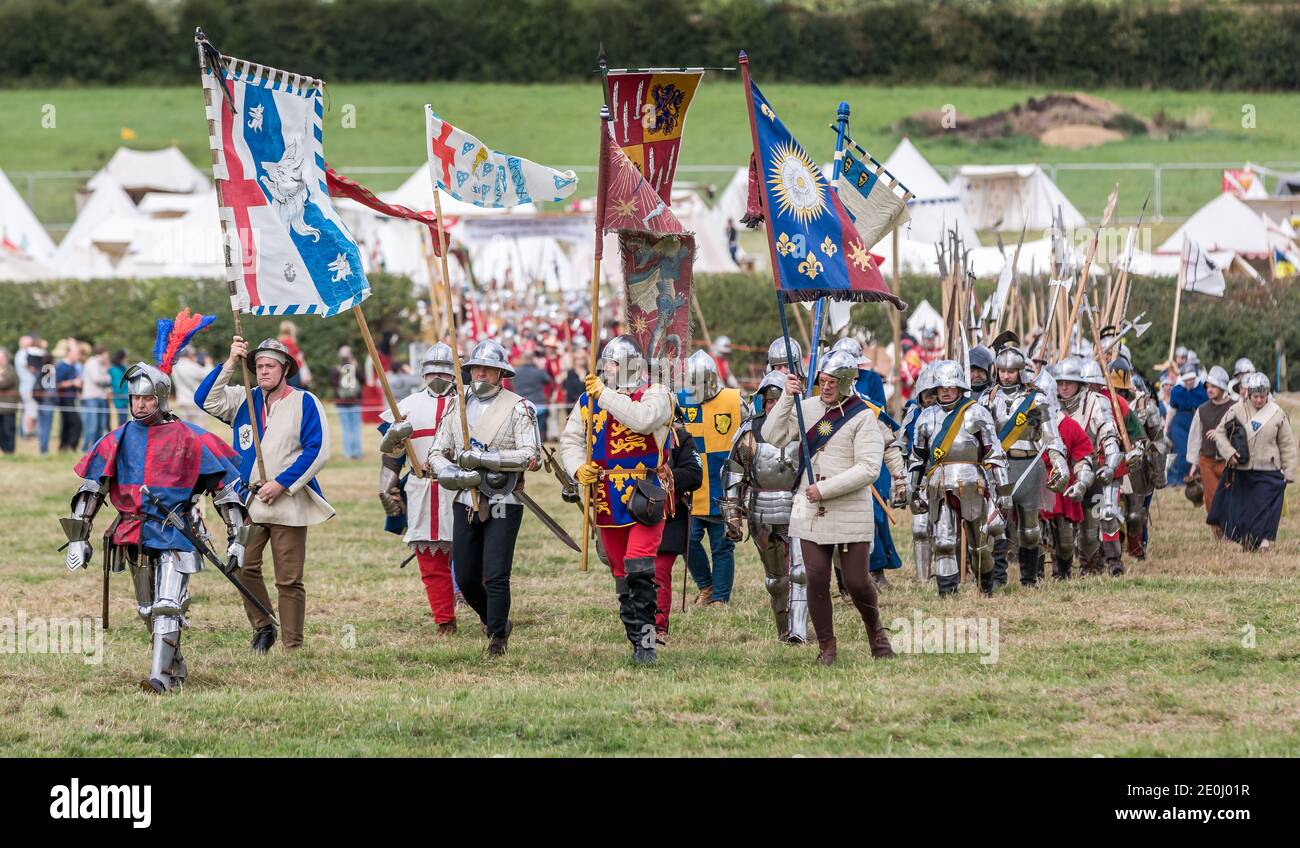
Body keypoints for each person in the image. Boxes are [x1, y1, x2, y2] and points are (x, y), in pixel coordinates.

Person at [62, 315, 247, 692]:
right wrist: (79, 537)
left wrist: (237, 539)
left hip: (175, 530)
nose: (141, 404)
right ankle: (174, 665)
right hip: (133, 530)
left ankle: (158, 677)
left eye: (147, 398)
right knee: (149, 610)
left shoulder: (190, 437)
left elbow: (223, 489)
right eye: (136, 398)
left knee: (166, 606)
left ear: (160, 398)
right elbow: (91, 489)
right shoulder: (115, 438)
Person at [196, 336, 334, 652]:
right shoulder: (244, 398)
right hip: (250, 502)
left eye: (270, 365)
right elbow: (205, 399)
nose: (263, 372)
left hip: (289, 501)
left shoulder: (305, 402)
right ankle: (263, 627)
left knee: (288, 578)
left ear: (284, 368)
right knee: (242, 566)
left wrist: (282, 483)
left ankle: (292, 645)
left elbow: (317, 451)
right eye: (258, 366)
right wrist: (231, 362)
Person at [762, 349, 893, 665]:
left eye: (833, 381)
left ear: (847, 381)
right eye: (822, 380)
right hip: (810, 508)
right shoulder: (806, 408)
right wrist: (785, 398)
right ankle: (827, 647)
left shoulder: (863, 416)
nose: (827, 386)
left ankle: (876, 634)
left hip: (848, 507)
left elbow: (868, 468)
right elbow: (771, 435)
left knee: (857, 582)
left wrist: (824, 489)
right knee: (816, 577)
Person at [560, 335, 673, 663]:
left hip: (645, 495)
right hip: (606, 497)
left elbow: (642, 418)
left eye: (612, 364)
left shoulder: (656, 393)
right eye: (606, 363)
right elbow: (570, 440)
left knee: (640, 569)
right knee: (622, 576)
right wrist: (578, 468)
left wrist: (604, 395)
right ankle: (636, 640)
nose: (606, 368)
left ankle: (649, 642)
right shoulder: (589, 400)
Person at [429, 339, 540, 658]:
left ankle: (496, 638)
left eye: (488, 370)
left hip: (504, 497)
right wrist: (454, 473)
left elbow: (530, 454)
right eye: (476, 368)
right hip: (467, 497)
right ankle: (497, 620)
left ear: (500, 373)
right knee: (464, 575)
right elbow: (438, 451)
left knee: (496, 573)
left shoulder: (519, 407)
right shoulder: (456, 404)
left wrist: (484, 459)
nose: (480, 374)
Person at [377, 343, 459, 636]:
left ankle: (489, 614)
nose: (438, 376)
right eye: (432, 371)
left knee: (473, 557)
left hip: (462, 487)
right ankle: (444, 620)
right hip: (421, 487)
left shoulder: (467, 404)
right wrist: (385, 487)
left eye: (444, 370)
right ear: (423, 373)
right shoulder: (407, 406)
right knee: (430, 559)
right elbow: (391, 454)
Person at [720, 371, 808, 643]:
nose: (773, 405)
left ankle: (799, 630)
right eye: (769, 400)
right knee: (776, 579)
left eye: (778, 399)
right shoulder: (749, 430)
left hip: (799, 504)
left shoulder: (805, 428)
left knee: (801, 573)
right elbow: (734, 473)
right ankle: (783, 629)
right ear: (761, 402)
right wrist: (732, 517)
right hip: (761, 508)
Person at [909, 360, 1009, 596]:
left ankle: (986, 586)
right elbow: (917, 458)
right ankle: (947, 592)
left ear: (959, 388)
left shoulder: (976, 412)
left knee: (979, 544)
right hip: (939, 484)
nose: (945, 390)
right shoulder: (926, 417)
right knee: (943, 542)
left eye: (950, 386)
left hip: (971, 483)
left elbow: (994, 453)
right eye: (941, 387)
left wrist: (1002, 492)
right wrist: (913, 490)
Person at [979, 334, 1069, 588]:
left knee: (1030, 530)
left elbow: (1052, 435)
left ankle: (1029, 578)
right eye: (1003, 370)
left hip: (1029, 466)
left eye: (1011, 371)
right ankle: (997, 578)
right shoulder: (987, 398)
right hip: (999, 467)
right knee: (995, 526)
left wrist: (1058, 461)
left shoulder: (1036, 399)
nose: (1006, 375)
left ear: (1021, 371)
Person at [678, 349, 744, 607]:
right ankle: (706, 585)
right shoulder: (680, 401)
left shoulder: (733, 400)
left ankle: (720, 598)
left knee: (722, 546)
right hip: (692, 489)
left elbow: (747, 438)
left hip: (723, 486)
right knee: (688, 542)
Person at [1208, 372, 1297, 552]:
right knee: (1244, 511)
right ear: (1249, 394)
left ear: (1267, 394)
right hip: (1242, 469)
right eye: (1255, 396)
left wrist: (1289, 471)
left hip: (1269, 467)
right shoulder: (1236, 410)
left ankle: (1263, 541)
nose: (1258, 400)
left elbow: (1287, 443)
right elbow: (1220, 433)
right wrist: (1229, 452)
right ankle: (1249, 541)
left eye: (1262, 396)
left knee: (1266, 508)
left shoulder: (1277, 413)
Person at [1054, 357, 1123, 578]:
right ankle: (1059, 568)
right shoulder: (1051, 405)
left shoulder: (1095, 402)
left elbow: (1110, 437)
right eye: (1060, 382)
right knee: (1059, 527)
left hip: (1091, 472)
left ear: (1079, 383)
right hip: (1059, 473)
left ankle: (1091, 567)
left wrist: (1110, 466)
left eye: (1069, 383)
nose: (1064, 387)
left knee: (1090, 530)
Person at [652, 406, 703, 644]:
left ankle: (658, 627)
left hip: (670, 516)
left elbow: (694, 474)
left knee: (659, 572)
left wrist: (667, 474)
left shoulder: (680, 438)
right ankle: (639, 622)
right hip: (635, 512)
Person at [902, 363, 938, 582]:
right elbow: (902, 444)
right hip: (921, 476)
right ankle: (923, 578)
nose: (932, 398)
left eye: (935, 393)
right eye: (928, 393)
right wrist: (903, 480)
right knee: (920, 528)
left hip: (948, 475)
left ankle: (956, 573)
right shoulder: (913, 413)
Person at [1186, 366, 1235, 525]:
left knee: (1231, 498)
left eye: (1214, 386)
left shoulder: (1234, 408)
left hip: (1229, 462)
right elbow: (1195, 438)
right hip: (1207, 461)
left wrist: (1221, 434)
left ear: (1222, 388)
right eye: (1208, 386)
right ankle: (1219, 534)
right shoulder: (1202, 410)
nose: (1209, 389)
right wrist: (1194, 464)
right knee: (1211, 501)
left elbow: (1242, 433)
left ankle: (1231, 529)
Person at [1166, 363, 1207, 486]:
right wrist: (1166, 427)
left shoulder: (1202, 389)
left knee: (1195, 451)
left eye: (1191, 379)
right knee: (1182, 452)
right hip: (1179, 422)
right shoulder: (1177, 390)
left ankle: (1195, 479)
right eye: (1186, 379)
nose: (1189, 382)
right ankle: (1181, 481)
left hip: (1197, 421)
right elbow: (1171, 410)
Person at [512, 350, 555, 442]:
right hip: (538, 404)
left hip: (521, 405)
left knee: (523, 430)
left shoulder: (516, 372)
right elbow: (548, 379)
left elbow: (512, 383)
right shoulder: (538, 371)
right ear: (533, 359)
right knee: (539, 430)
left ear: (522, 359)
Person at [330, 345, 363, 460]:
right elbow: (363, 380)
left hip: (341, 402)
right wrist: (356, 367)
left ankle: (348, 453)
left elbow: (333, 383)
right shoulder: (355, 368)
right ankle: (357, 453)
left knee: (346, 429)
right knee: (355, 428)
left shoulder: (336, 369)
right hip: (355, 401)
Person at [278, 321, 311, 390]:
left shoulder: (279, 342)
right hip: (293, 370)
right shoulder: (289, 342)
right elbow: (295, 359)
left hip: (283, 370)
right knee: (295, 392)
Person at [15, 335, 35, 439]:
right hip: (27, 387)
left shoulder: (24, 353)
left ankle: (25, 432)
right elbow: (28, 367)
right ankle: (27, 433)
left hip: (28, 386)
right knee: (29, 410)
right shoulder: (22, 354)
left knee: (29, 410)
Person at [0, 348, 18, 453]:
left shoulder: (11, 371)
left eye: (2, 358)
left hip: (8, 407)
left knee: (8, 430)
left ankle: (10, 451)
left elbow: (4, 384)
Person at [108, 350, 129, 430]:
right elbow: (117, 386)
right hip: (119, 399)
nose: (126, 359)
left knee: (124, 421)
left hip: (125, 398)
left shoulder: (123, 368)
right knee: (122, 422)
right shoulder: (114, 370)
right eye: (125, 358)